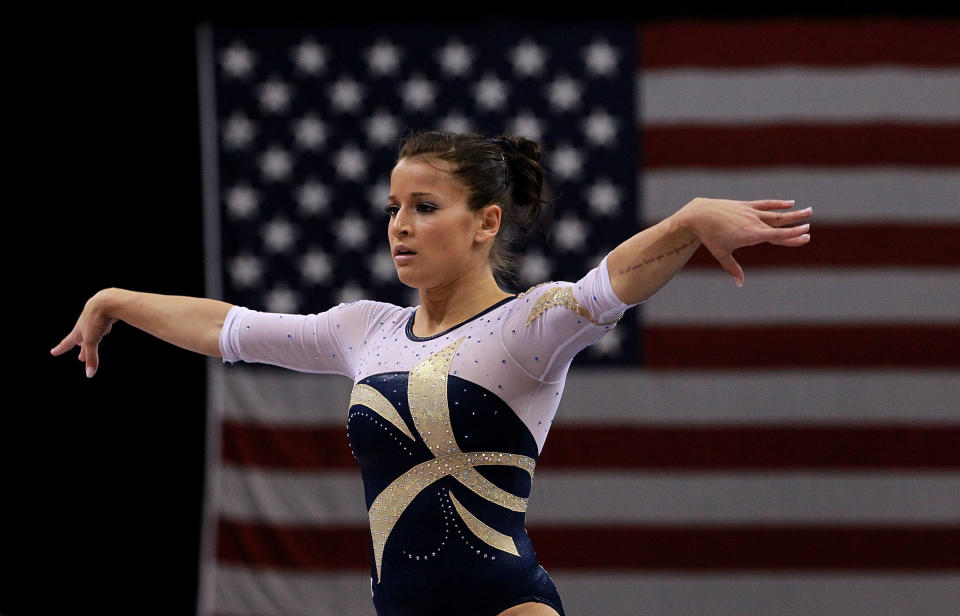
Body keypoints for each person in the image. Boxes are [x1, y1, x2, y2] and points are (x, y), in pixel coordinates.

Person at [51, 130, 812, 616]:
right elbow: (231, 330)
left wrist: (683, 223)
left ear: (487, 222)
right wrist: (119, 300)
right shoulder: (366, 330)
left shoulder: (528, 326)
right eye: (393, 208)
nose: (401, 225)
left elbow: (608, 285)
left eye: (424, 205)